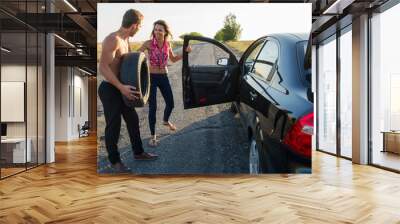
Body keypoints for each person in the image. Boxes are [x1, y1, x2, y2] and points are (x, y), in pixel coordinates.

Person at [98, 9, 158, 172]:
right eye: (140, 26)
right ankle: (115, 161)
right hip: (110, 88)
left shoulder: (126, 41)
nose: (140, 29)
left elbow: (128, 64)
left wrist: (143, 50)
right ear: (134, 25)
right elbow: (103, 67)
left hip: (122, 87)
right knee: (114, 125)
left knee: (132, 120)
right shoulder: (113, 39)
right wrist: (121, 87)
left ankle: (138, 152)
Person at [138, 20, 191, 147]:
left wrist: (185, 53)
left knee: (171, 103)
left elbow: (172, 59)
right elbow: (136, 55)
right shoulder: (148, 44)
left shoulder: (168, 44)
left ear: (165, 32)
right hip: (152, 77)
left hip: (164, 76)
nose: (157, 32)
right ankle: (153, 136)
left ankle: (165, 121)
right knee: (153, 107)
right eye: (155, 29)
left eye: (160, 30)